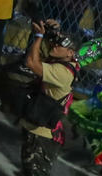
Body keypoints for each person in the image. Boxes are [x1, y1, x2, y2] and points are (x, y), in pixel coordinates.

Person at [18, 20, 77, 176]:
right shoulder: (68, 62)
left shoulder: (61, 72)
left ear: (70, 53)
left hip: (43, 134)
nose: (54, 46)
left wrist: (38, 36)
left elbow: (31, 62)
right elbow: (50, 49)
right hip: (38, 126)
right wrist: (53, 31)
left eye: (60, 45)